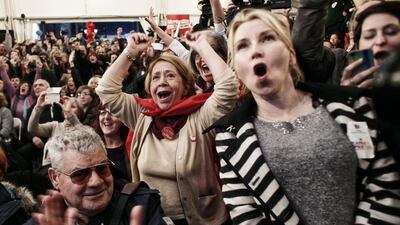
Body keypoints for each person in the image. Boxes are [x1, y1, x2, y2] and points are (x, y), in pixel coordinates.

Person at [207, 8, 400, 225]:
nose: (255, 51)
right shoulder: (230, 138)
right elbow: (245, 214)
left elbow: (384, 185)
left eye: (268, 38)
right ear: (237, 69)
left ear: (290, 54)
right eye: (243, 45)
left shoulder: (351, 105)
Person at [96, 32, 238, 224]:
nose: (162, 81)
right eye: (155, 78)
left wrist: (202, 47)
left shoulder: (201, 115)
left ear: (186, 85)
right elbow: (105, 90)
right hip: (154, 220)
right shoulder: (142, 116)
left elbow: (229, 86)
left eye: (170, 75)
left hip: (203, 220)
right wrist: (131, 51)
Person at [30, 124, 167, 225]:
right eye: (80, 174)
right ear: (55, 178)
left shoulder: (143, 205)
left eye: (102, 169)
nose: (96, 182)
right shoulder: (44, 220)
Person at [292, 0, 400, 87]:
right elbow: (306, 49)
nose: (380, 40)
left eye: (391, 31)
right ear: (354, 35)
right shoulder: (337, 62)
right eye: (369, 35)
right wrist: (347, 96)